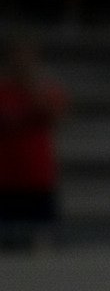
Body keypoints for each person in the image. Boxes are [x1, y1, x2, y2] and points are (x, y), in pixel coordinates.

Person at [0, 37, 67, 251]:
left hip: (38, 179)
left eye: (26, 57)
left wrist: (30, 87)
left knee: (43, 245)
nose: (21, 62)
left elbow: (54, 115)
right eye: (17, 57)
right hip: (5, 180)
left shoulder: (48, 90)